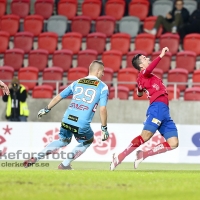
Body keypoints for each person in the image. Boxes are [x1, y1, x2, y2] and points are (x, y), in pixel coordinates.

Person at [23, 60, 109, 170]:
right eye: (102, 72)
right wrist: (104, 128)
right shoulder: (103, 87)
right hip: (81, 123)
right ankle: (65, 164)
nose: (103, 74)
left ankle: (36, 157)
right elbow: (102, 109)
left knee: (62, 140)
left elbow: (59, 96)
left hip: (67, 119)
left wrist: (47, 109)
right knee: (88, 140)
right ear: (98, 71)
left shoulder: (77, 82)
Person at [110, 47, 179, 170]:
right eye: (144, 58)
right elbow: (149, 70)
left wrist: (141, 89)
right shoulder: (144, 73)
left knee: (174, 143)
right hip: (157, 107)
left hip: (165, 112)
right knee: (145, 136)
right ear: (141, 65)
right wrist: (161, 55)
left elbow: (139, 93)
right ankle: (119, 157)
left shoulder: (144, 78)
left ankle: (144, 154)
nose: (147, 58)